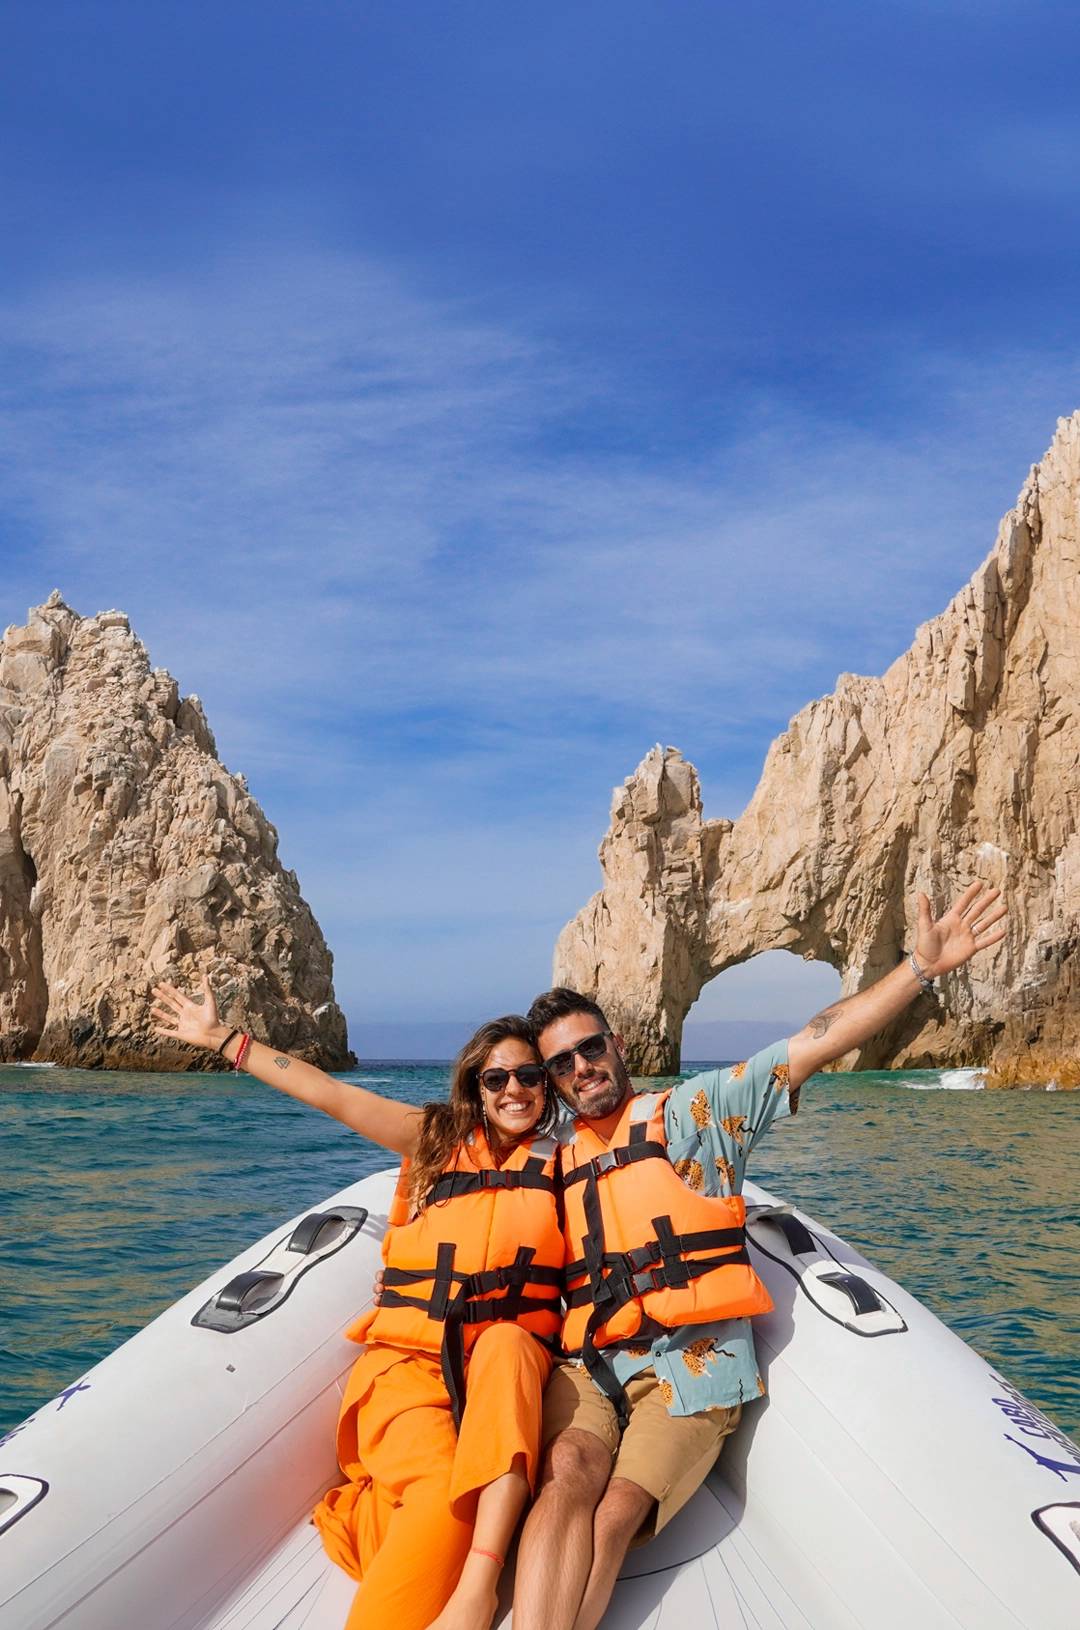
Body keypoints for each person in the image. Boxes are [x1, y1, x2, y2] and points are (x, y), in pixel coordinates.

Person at [511, 880, 1007, 1630]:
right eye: (561, 1064)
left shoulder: (696, 1115)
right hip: (590, 1365)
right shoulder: (556, 1158)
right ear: (551, 1082)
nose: (581, 1067)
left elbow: (814, 1039)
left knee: (612, 1515)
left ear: (618, 1044)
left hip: (694, 1363)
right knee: (566, 1481)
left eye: (589, 1047)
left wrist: (920, 969)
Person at [150, 982, 564, 1630]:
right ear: (475, 1086)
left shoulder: (566, 1167)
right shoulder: (431, 1140)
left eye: (529, 1075)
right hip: (407, 1371)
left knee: (477, 1473)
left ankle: (376, 1515)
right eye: (496, 1077)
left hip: (496, 1380)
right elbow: (330, 1093)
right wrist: (226, 1040)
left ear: (548, 1083)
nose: (514, 1089)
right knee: (444, 1497)